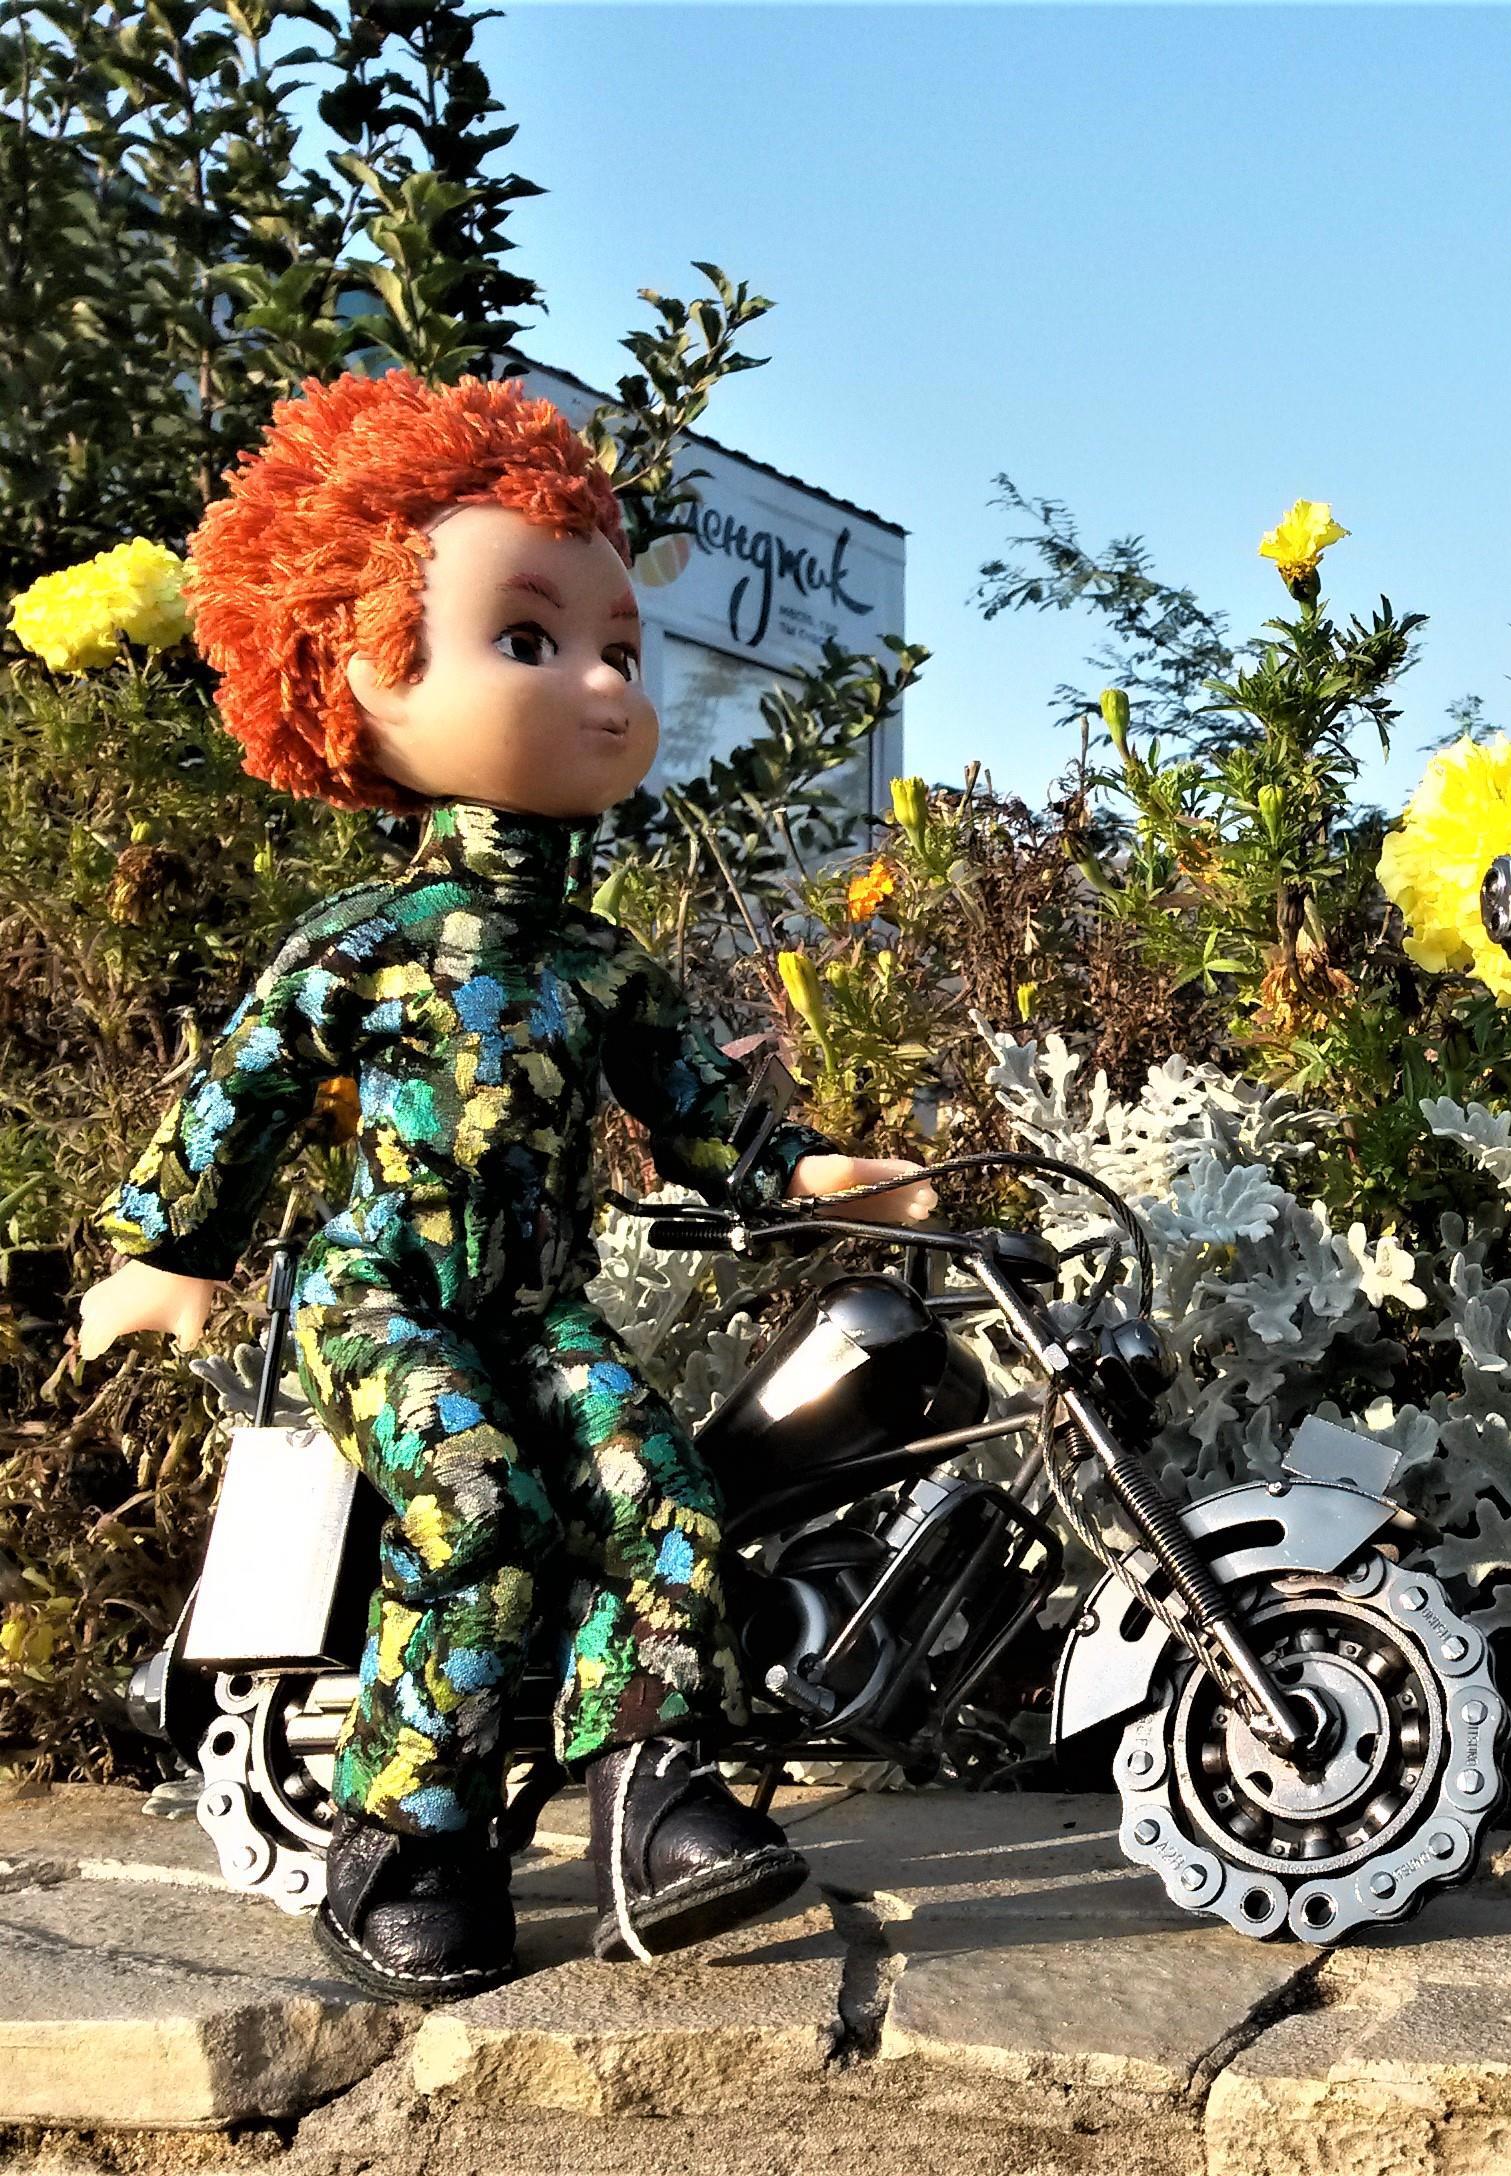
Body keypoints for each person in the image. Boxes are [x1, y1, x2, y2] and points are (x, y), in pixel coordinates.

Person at [75, 373, 935, 2002]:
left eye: (621, 650)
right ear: (356, 666)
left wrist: (814, 1173)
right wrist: (170, 1248)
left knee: (658, 1495)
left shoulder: (606, 966)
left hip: (537, 1308)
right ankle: (409, 1833)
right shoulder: (365, 942)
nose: (604, 686)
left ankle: (649, 1802)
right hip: (381, 1297)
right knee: (480, 1515)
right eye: (529, 639)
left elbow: (705, 1126)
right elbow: (245, 1087)